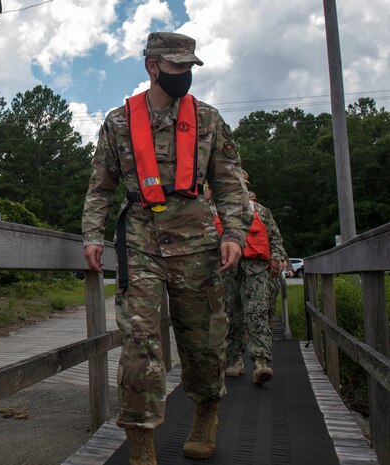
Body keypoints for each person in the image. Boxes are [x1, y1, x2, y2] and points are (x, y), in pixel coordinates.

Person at [82, 32, 252, 463]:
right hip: (139, 239)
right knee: (139, 343)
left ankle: (205, 414)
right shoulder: (119, 121)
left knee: (204, 343)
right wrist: (92, 235)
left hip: (198, 240)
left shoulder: (209, 120)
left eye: (189, 67)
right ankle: (141, 445)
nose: (184, 75)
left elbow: (230, 186)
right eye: (176, 67)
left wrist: (234, 234)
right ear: (152, 67)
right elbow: (100, 187)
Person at [223, 187, 287, 385]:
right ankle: (235, 359)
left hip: (257, 270)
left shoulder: (262, 211)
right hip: (229, 271)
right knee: (231, 316)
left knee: (257, 314)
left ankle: (260, 363)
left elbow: (275, 238)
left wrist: (276, 258)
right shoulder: (220, 211)